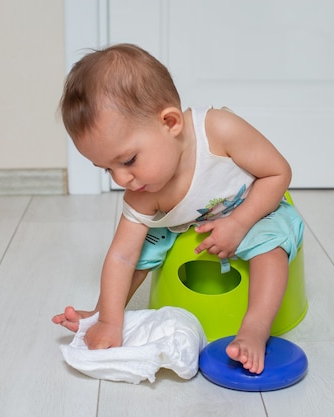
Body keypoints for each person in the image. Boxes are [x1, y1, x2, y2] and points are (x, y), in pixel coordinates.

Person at [52, 43, 304, 374]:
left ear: (170, 123)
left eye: (128, 160)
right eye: (107, 169)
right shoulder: (142, 194)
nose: (122, 179)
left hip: (253, 205)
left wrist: (241, 221)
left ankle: (255, 328)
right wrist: (111, 322)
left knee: (270, 246)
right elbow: (121, 257)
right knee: (139, 251)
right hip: (186, 223)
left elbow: (278, 172)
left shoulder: (219, 131)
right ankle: (102, 315)